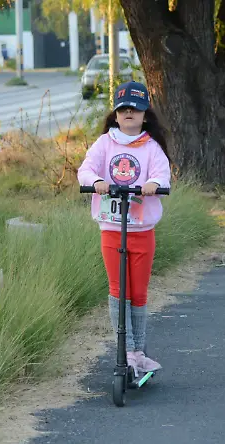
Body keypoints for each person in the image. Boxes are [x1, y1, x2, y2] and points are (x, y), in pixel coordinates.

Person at [78, 80, 172, 375]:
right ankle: (126, 351)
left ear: (145, 115)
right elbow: (85, 169)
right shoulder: (105, 143)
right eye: (123, 109)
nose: (129, 113)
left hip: (141, 230)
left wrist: (153, 184)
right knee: (119, 290)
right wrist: (96, 182)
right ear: (116, 115)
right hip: (112, 228)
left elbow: (162, 174)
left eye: (135, 109)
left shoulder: (151, 147)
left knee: (139, 291)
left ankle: (139, 351)